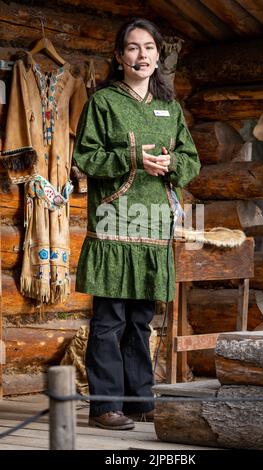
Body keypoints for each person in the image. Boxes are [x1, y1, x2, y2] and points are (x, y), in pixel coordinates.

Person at [73, 18, 200, 431]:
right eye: (132, 47)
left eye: (148, 48)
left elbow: (192, 160)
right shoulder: (104, 103)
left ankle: (139, 400)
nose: (141, 55)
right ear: (118, 56)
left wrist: (172, 164)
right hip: (114, 223)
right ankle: (105, 406)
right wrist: (131, 158)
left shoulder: (170, 108)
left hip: (153, 227)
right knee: (110, 320)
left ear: (158, 56)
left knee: (141, 320)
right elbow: (86, 158)